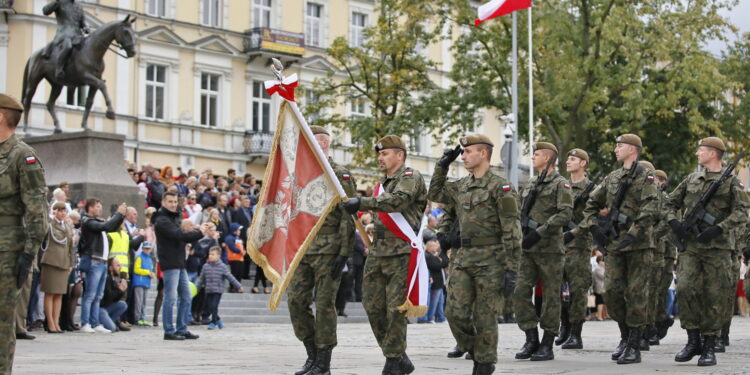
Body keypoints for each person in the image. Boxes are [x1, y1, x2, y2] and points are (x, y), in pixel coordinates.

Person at [427, 134, 520, 374]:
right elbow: (435, 193)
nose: (464, 156)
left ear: (484, 153)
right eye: (463, 152)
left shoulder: (501, 187)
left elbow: (512, 230)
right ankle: (476, 350)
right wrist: (442, 165)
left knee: (485, 315)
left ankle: (485, 363)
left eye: (468, 152)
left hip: (492, 259)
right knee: (453, 312)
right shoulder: (461, 186)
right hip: (464, 257)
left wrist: (512, 268)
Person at [343, 135, 427, 375]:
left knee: (396, 308)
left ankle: (393, 361)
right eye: (379, 154)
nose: (380, 158)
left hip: (401, 253)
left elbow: (398, 202)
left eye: (385, 154)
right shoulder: (382, 184)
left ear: (399, 155)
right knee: (372, 305)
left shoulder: (410, 177)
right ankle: (398, 357)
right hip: (378, 252)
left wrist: (362, 201)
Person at [666, 137, 749, 366]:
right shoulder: (691, 179)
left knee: (714, 295)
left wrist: (718, 229)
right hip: (691, 246)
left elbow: (742, 212)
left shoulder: (732, 183)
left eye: (701, 150)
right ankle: (693, 340)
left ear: (713, 153)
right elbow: (670, 203)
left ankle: (710, 345)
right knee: (684, 288)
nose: (697, 154)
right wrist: (674, 222)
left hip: (718, 248)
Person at [581, 134, 659, 364]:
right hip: (615, 244)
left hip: (639, 245)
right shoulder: (612, 177)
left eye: (620, 145)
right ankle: (625, 336)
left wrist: (634, 233)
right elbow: (592, 202)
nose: (616, 149)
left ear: (633, 150)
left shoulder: (647, 177)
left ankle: (634, 343)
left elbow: (651, 208)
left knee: (636, 293)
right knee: (613, 291)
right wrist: (593, 227)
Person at [287, 125, 357, 375]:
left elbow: (348, 216)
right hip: (303, 248)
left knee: (325, 304)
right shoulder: (299, 174)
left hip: (329, 249)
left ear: (324, 143)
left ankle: (324, 361)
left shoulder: (340, 174)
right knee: (296, 300)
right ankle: (312, 354)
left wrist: (344, 251)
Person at [0, 93, 48, 374]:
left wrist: (28, 254)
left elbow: (36, 209)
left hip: (8, 251)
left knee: (2, 321)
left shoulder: (22, 155)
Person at [513, 142, 572, 362]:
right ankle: (531, 338)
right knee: (519, 291)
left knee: (550, 297)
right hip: (527, 249)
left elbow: (565, 213)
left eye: (536, 154)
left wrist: (540, 232)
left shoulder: (560, 184)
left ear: (547, 158)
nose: (532, 157)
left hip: (550, 250)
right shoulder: (530, 183)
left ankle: (547, 342)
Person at [154, 191, 208, 340]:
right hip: (170, 262)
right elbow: (179, 235)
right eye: (169, 201)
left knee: (186, 296)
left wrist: (196, 230)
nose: (173, 204)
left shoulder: (174, 217)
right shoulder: (162, 220)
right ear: (163, 203)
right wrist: (200, 232)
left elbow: (182, 233)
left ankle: (182, 328)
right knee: (170, 298)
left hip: (179, 262)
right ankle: (169, 331)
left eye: (174, 201)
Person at [79, 199, 127, 333]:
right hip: (94, 260)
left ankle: (95, 322)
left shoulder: (98, 221)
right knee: (90, 294)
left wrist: (121, 216)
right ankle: (85, 322)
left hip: (102, 261)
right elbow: (104, 227)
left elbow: (109, 227)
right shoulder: (87, 221)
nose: (100, 209)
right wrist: (118, 214)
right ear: (90, 208)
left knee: (98, 295)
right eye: (98, 206)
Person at [41, 202, 76, 334]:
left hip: (63, 262)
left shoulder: (67, 225)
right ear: (54, 211)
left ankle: (56, 322)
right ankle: (50, 323)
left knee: (59, 294)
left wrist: (71, 263)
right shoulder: (50, 224)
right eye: (59, 210)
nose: (62, 213)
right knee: (50, 293)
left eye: (64, 211)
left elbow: (70, 247)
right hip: (51, 261)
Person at [652, 170, 676, 343]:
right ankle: (657, 322)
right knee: (650, 291)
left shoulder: (668, 201)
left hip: (666, 253)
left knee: (659, 292)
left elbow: (671, 225)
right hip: (651, 249)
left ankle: (657, 324)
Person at [195, 247, 243, 329]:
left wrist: (238, 286)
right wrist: (196, 288)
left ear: (218, 256)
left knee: (214, 306)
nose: (210, 256)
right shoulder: (205, 266)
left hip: (218, 290)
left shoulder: (222, 267)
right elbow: (201, 279)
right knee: (210, 307)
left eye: (213, 254)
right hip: (208, 290)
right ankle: (218, 320)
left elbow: (230, 277)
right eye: (210, 254)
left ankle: (213, 322)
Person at [41, 0, 89, 80]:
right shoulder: (60, 2)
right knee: (68, 46)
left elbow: (83, 21)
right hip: (64, 34)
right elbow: (45, 11)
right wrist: (56, 2)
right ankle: (58, 69)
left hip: (77, 35)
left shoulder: (79, 6)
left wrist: (86, 26)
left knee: (87, 47)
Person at [98, 258, 128, 332]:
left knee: (122, 305)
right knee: (112, 328)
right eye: (117, 265)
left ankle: (111, 321)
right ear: (111, 268)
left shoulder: (113, 278)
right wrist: (119, 290)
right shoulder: (106, 278)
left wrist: (122, 291)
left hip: (107, 307)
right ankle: (103, 323)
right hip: (101, 308)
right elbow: (108, 297)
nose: (120, 267)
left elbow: (115, 299)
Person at [132, 241, 156, 326]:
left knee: (144, 302)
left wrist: (152, 274)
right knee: (139, 302)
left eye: (149, 249)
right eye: (146, 248)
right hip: (139, 282)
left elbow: (151, 269)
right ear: (142, 249)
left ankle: (143, 318)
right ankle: (137, 318)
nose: (147, 250)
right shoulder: (139, 257)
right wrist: (148, 272)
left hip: (146, 282)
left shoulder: (149, 259)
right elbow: (136, 269)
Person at [224, 223, 245, 291]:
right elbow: (231, 247)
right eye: (238, 230)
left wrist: (243, 251)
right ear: (234, 230)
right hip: (233, 259)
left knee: (239, 273)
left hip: (240, 258)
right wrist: (240, 251)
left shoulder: (238, 238)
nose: (240, 231)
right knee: (234, 273)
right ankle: (232, 287)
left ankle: (238, 287)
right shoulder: (229, 238)